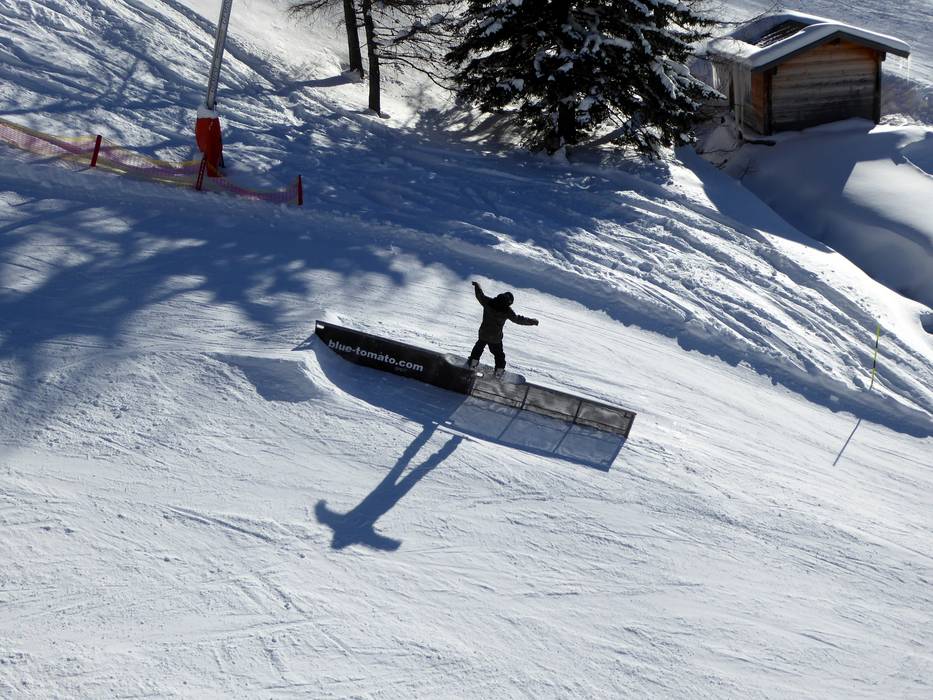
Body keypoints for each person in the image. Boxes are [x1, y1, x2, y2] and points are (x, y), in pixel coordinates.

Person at [468, 281, 538, 376]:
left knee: (478, 348)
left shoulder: (488, 302)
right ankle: (499, 370)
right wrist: (531, 321)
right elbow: (518, 319)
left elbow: (479, 295)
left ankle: (473, 363)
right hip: (495, 337)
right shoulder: (507, 310)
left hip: (484, 333)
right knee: (499, 354)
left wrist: (477, 285)